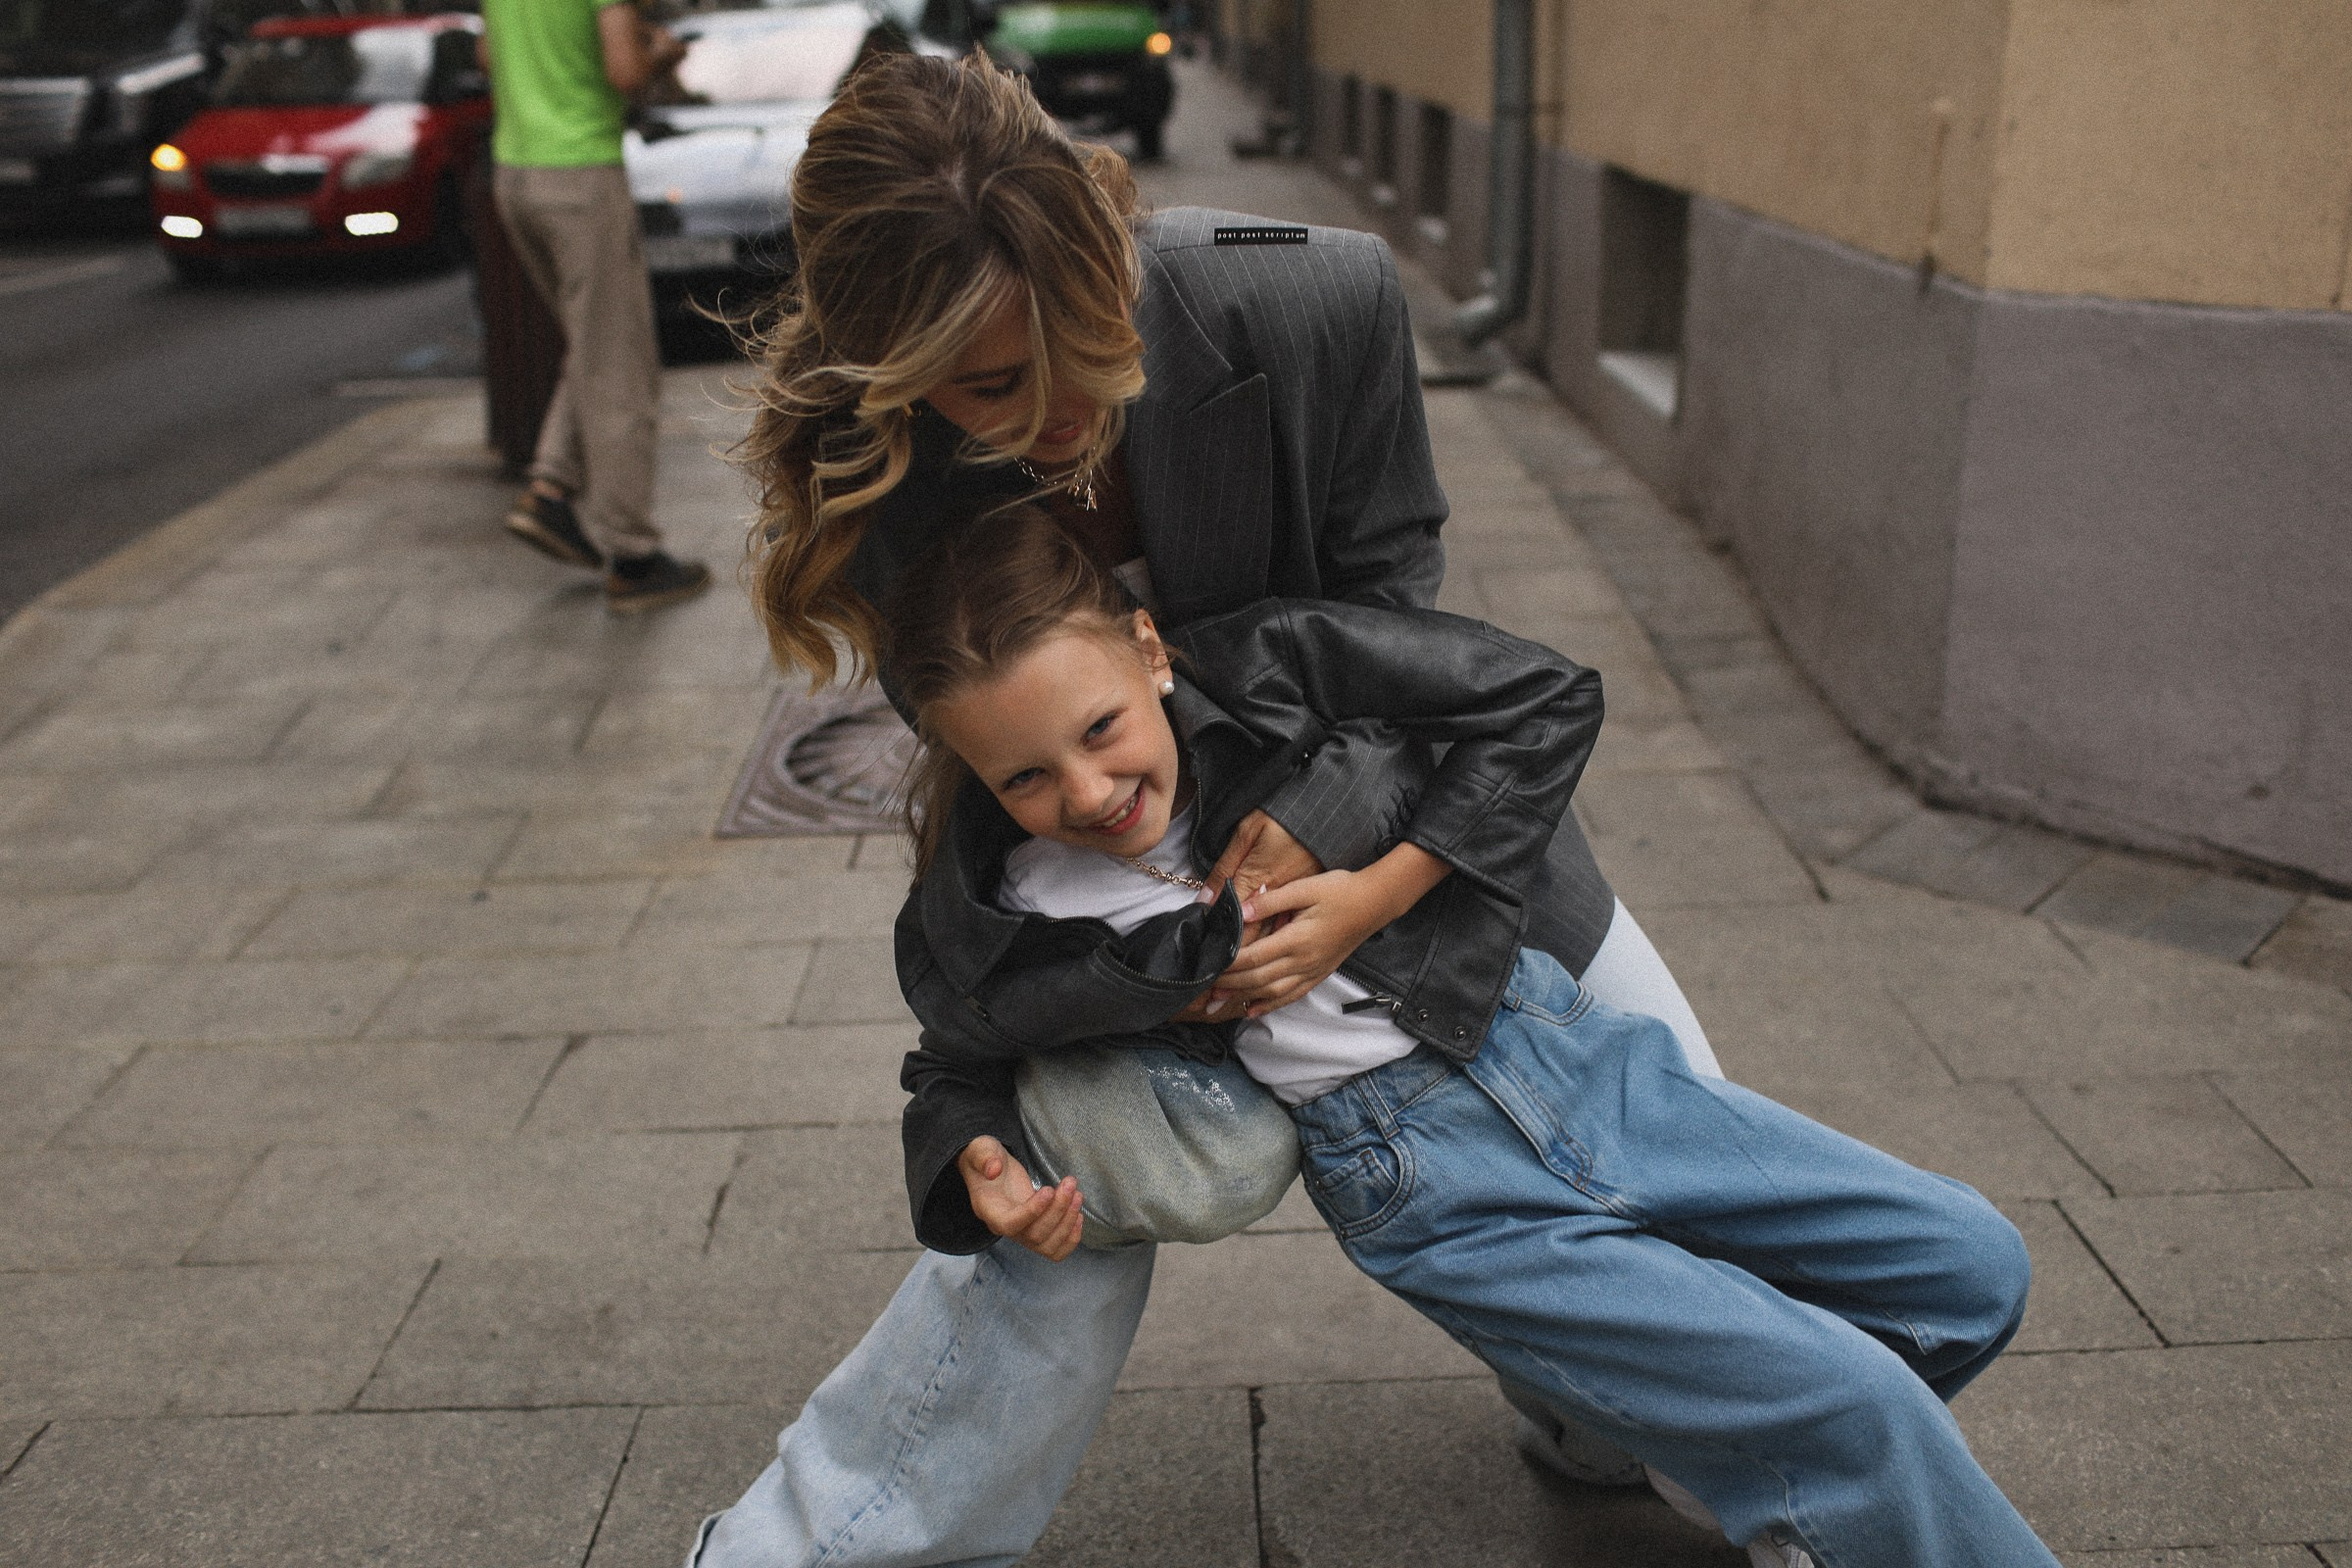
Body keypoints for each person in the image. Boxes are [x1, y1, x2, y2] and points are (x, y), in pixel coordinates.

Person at [695, 48, 1717, 1567]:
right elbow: (986, 800)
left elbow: (1401, 621)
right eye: (991, 386)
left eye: (1077, 341)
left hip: (1395, 809)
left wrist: (1331, 844)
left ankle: (1604, 1425)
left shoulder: (1316, 298)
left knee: (1676, 1135)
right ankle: (808, 1547)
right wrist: (1014, 1085)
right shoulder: (883, 453)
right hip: (1107, 884)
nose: (1053, 410)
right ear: (892, 364)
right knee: (1046, 1201)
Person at [880, 513, 2055, 1567]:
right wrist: (979, 1156)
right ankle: (1814, 1465)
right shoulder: (1011, 908)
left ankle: (1786, 1485)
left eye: (1100, 729)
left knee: (1971, 1267)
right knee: (1857, 1404)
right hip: (1428, 1181)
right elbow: (954, 1057)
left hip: (1566, 1056)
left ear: (1149, 649)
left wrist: (1376, 893)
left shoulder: (1271, 669)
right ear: (975, 774)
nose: (1089, 792)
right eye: (1025, 777)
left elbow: (1545, 700)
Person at [478, 0, 710, 612]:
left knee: (594, 345)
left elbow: (488, 54)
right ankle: (634, 556)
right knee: (617, 363)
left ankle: (553, 492)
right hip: (580, 172)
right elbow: (625, 71)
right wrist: (658, 52)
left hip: (516, 171)